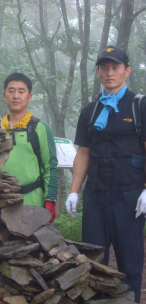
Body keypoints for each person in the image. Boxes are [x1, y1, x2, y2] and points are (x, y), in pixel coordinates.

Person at [65, 45, 146, 303]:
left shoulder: (139, 106)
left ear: (127, 71)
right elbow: (83, 153)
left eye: (115, 67)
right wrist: (74, 191)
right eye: (104, 68)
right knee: (93, 258)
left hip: (129, 194)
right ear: (98, 72)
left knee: (130, 260)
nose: (109, 73)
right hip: (96, 194)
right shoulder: (90, 111)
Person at [0, 72, 58, 222]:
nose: (16, 96)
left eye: (21, 91)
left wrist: (50, 200)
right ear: (4, 95)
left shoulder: (41, 128)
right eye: (11, 91)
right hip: (0, 202)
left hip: (33, 202)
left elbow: (50, 166)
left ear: (29, 96)